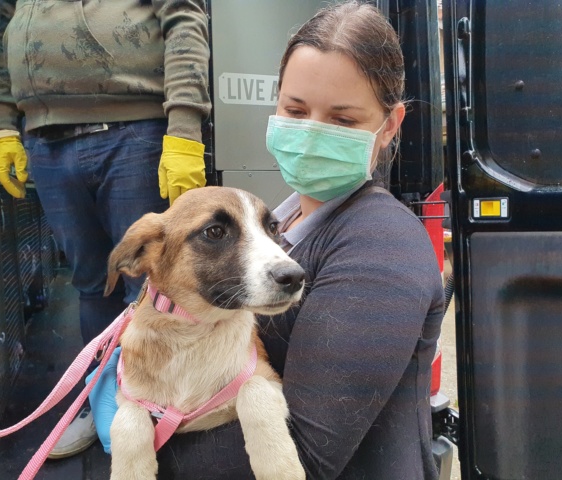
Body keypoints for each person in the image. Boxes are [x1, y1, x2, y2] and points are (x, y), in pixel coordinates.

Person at [88, 1, 444, 478]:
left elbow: (308, 457)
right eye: (295, 109)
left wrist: (144, 445)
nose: (312, 133)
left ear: (390, 125)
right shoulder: (274, 219)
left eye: (342, 120)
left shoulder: (383, 247)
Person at [0, 0, 211, 460]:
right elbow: (6, 39)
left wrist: (185, 128)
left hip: (134, 132)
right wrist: (3, 127)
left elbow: (184, 18)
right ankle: (103, 401)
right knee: (92, 284)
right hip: (47, 140)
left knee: (150, 287)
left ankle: (165, 411)